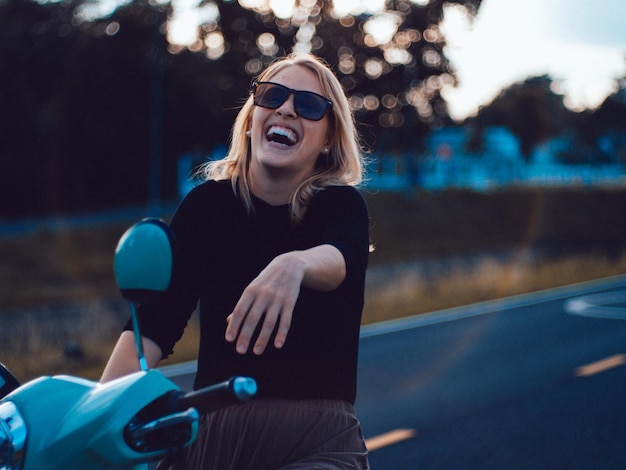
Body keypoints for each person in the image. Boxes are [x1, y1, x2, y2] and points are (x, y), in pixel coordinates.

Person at [101, 52, 370, 469]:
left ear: (330, 138)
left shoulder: (340, 204)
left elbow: (342, 260)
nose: (285, 108)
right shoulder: (207, 207)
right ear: (251, 118)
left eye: (309, 105)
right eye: (272, 96)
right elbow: (153, 325)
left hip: (317, 442)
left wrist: (293, 265)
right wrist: (94, 419)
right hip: (209, 440)